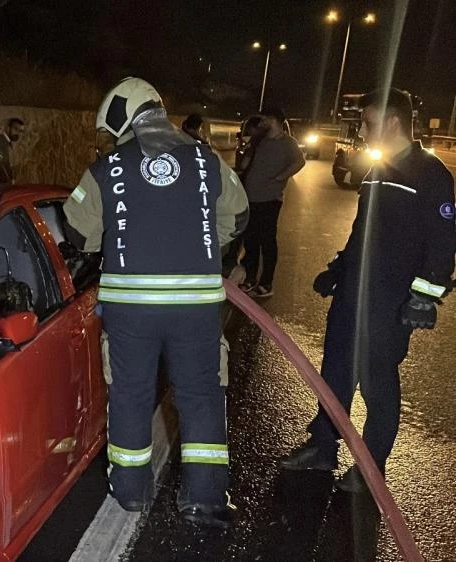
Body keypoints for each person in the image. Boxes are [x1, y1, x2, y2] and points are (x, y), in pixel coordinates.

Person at [63, 77, 248, 528]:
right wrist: (201, 246)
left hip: (131, 311)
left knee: (130, 394)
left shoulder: (107, 168)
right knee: (202, 396)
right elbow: (238, 215)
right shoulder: (207, 161)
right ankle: (204, 499)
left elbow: (76, 231)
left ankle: (131, 492)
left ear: (123, 120)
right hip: (196, 308)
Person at [280, 88, 456, 492]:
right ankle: (323, 447)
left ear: (393, 122)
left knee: (378, 382)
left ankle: (371, 468)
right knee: (335, 373)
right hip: (353, 294)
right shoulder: (378, 170)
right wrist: (341, 267)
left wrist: (425, 297)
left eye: (368, 122)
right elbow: (364, 231)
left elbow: (443, 241)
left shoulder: (429, 174)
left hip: (390, 302)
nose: (362, 130)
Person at [238, 106, 305, 298]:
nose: (261, 123)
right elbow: (246, 162)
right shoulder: (260, 140)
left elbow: (299, 162)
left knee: (266, 241)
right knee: (250, 240)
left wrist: (280, 177)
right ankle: (250, 278)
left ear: (273, 120)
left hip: (270, 200)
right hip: (251, 197)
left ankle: (266, 283)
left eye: (264, 119)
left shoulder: (288, 143)